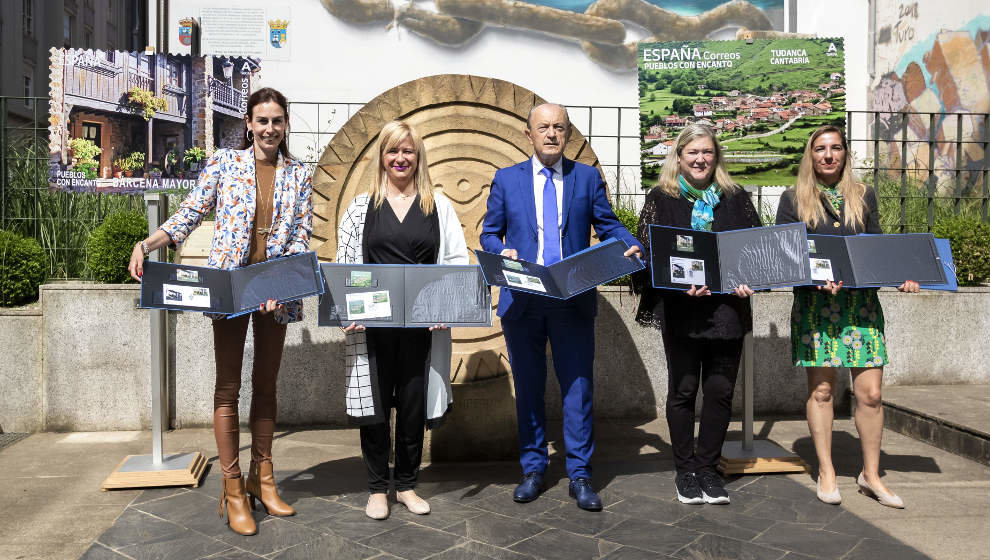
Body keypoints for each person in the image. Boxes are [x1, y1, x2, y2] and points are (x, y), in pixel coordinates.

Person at [128, 87, 312, 535]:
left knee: (265, 384)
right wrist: (148, 242)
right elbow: (193, 211)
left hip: (274, 292)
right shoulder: (226, 164)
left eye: (277, 121)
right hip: (228, 289)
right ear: (248, 124)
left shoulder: (300, 173)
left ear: (286, 124)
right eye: (262, 120)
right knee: (227, 388)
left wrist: (280, 285)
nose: (270, 128)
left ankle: (262, 479)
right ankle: (232, 489)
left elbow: (302, 235)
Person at [480, 103, 642, 511]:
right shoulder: (506, 179)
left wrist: (630, 241)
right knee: (530, 389)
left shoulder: (585, 178)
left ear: (567, 133)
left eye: (559, 127)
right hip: (524, 299)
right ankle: (533, 469)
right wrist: (503, 250)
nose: (551, 134)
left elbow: (607, 224)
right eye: (543, 127)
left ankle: (581, 474)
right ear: (528, 134)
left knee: (578, 389)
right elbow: (489, 233)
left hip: (572, 299)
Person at [776, 125, 919, 508]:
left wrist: (901, 275)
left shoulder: (863, 195)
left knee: (871, 394)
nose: (828, 155)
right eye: (820, 149)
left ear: (845, 153)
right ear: (810, 155)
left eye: (835, 148)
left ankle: (871, 475)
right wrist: (815, 280)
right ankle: (826, 471)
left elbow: (875, 251)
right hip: (815, 308)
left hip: (861, 307)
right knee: (822, 391)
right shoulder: (793, 199)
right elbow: (785, 257)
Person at [336, 120, 468, 520]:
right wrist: (348, 311)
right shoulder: (361, 207)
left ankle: (407, 485)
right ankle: (378, 488)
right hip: (372, 329)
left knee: (412, 408)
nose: (400, 158)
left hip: (420, 330)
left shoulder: (437, 207)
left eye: (407, 151)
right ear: (381, 156)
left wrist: (444, 307)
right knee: (374, 408)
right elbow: (346, 265)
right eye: (392, 151)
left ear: (418, 156)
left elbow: (456, 263)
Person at [633, 123, 760, 505]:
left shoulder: (736, 198)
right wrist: (675, 285)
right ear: (679, 157)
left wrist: (748, 280)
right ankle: (685, 471)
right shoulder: (662, 197)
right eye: (692, 153)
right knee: (683, 391)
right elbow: (647, 254)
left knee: (720, 392)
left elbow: (754, 249)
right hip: (683, 311)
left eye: (706, 152)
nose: (700, 159)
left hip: (726, 310)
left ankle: (708, 469)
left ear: (716, 155)